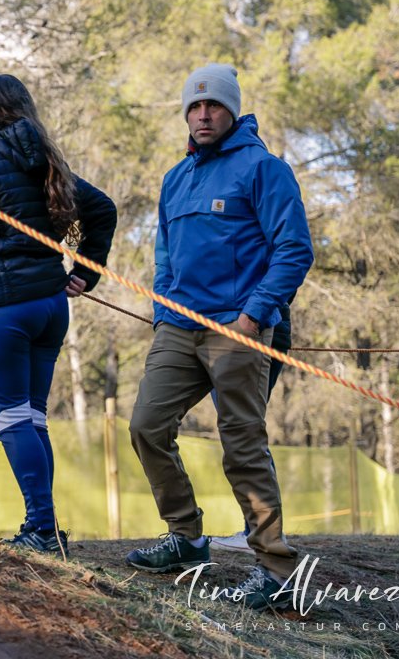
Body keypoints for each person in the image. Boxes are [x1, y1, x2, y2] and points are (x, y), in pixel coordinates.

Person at [124, 64, 313, 609]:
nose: (203, 115)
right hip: (179, 327)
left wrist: (253, 316)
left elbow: (294, 249)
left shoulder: (264, 169)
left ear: (232, 111)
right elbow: (164, 256)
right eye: (195, 106)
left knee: (241, 444)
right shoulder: (175, 178)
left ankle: (276, 570)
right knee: (146, 426)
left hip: (239, 328)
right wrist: (163, 311)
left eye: (214, 106)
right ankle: (185, 538)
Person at [0, 74, 117, 554]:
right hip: (50, 306)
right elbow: (100, 209)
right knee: (32, 418)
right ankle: (45, 525)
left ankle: (41, 527)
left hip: (3, 308)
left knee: (12, 419)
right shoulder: (46, 158)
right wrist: (84, 271)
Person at [209, 297, 293, 552]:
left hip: (250, 328)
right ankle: (259, 531)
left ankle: (259, 533)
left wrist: (252, 314)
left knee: (243, 430)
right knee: (244, 428)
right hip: (242, 325)